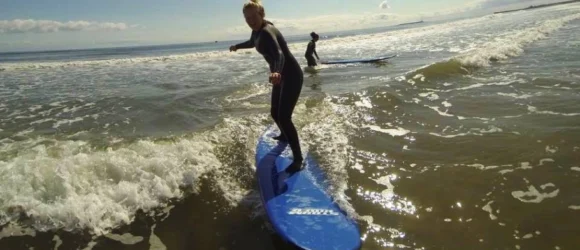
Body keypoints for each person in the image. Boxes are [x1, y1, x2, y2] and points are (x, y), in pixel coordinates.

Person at [229, 0, 304, 174]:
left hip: (290, 75)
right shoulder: (256, 32)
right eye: (247, 18)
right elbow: (252, 42)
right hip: (279, 77)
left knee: (284, 117)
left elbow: (278, 54)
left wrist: (276, 71)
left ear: (261, 14)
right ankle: (285, 136)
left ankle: (299, 159)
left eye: (253, 16)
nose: (250, 20)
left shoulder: (268, 32)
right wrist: (237, 47)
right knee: (274, 112)